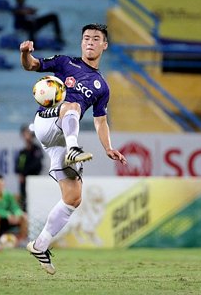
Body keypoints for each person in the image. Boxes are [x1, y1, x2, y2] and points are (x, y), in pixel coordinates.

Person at [19, 23, 127, 275]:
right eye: (86, 38)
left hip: (60, 139)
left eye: (95, 38)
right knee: (72, 107)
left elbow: (100, 121)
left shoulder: (102, 87)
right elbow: (32, 65)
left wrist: (108, 147)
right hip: (47, 121)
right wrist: (25, 53)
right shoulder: (65, 62)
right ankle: (74, 148)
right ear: (81, 42)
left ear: (104, 45)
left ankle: (40, 245)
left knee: (73, 198)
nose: (90, 42)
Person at [15, 124, 43, 211]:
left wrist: (24, 173)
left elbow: (37, 164)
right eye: (25, 134)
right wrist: (21, 174)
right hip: (24, 182)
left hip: (34, 180)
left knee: (35, 201)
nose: (27, 136)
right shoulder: (22, 152)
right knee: (24, 202)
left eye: (28, 134)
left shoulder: (37, 150)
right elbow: (19, 166)